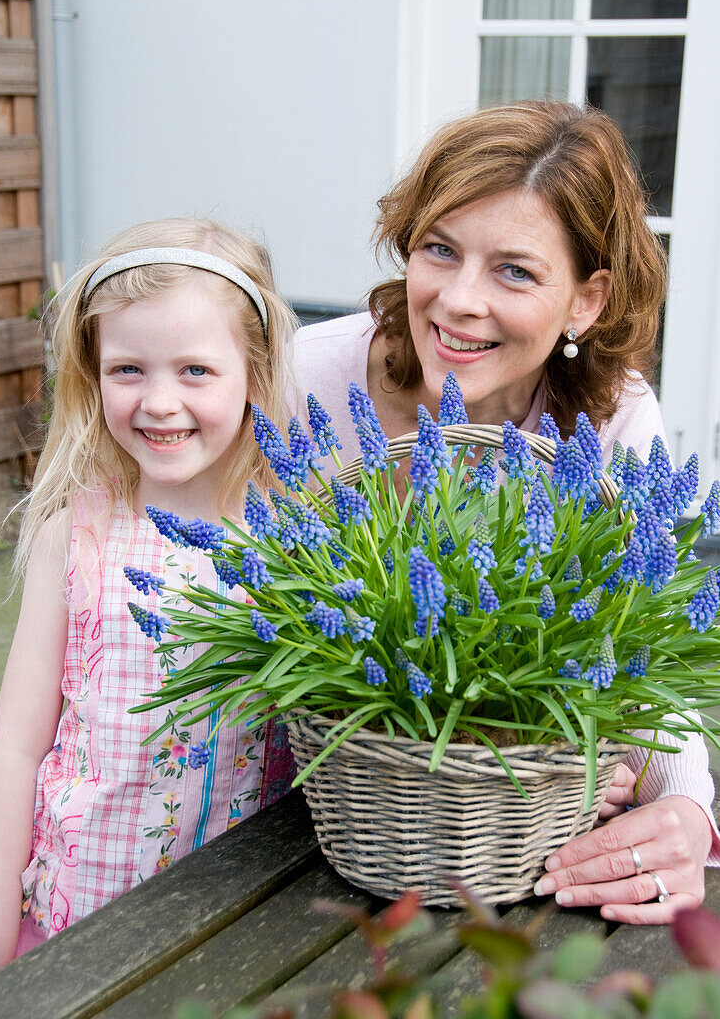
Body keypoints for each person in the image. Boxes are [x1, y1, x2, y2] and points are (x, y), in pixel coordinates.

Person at [293, 100, 720, 923]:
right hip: (313, 824)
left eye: (514, 271)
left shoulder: (611, 418)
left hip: (509, 847)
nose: (457, 300)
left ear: (587, 301)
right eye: (439, 250)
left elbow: (635, 629)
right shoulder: (308, 379)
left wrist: (687, 808)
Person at [0, 218, 296, 972]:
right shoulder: (78, 531)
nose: (159, 401)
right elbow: (20, 743)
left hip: (230, 921)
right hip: (74, 909)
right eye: (129, 369)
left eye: (195, 371)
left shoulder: (296, 539)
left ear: (253, 373)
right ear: (93, 375)